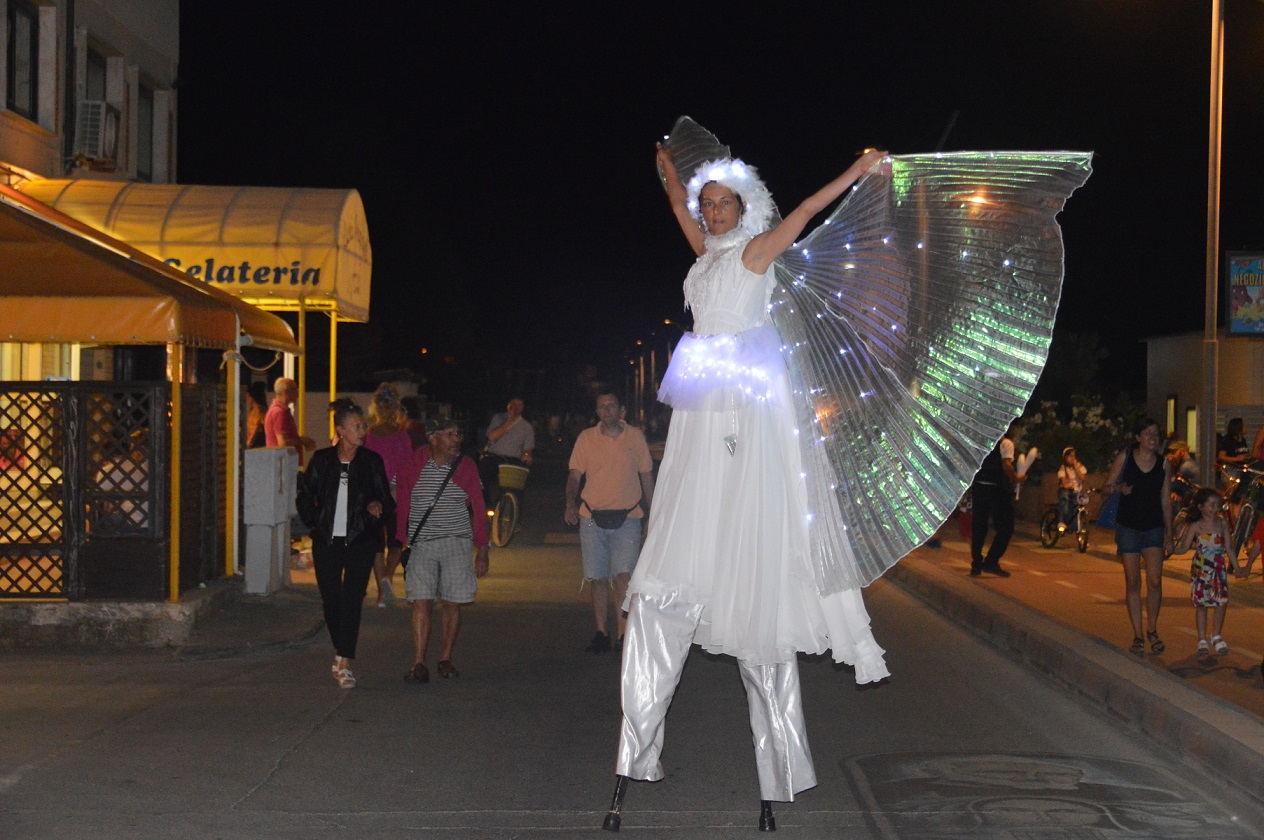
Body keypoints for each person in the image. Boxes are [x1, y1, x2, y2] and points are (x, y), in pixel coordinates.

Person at [606, 142, 892, 831]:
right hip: (702, 412)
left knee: (758, 600)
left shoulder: (757, 251)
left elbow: (806, 211)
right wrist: (671, 176)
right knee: (663, 580)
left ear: (743, 205)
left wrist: (856, 171)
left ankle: (779, 774)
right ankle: (633, 757)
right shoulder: (704, 255)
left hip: (745, 410)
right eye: (706, 205)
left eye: (720, 202)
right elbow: (677, 205)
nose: (709, 211)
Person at [295, 399, 394, 689]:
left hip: (361, 540)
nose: (363, 431)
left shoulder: (371, 462)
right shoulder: (323, 460)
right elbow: (304, 494)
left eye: (363, 426)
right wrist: (315, 520)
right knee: (331, 598)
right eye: (357, 426)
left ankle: (345, 661)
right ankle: (342, 650)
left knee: (353, 598)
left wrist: (377, 506)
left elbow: (387, 500)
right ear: (341, 430)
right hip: (327, 540)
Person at [396, 417, 489, 683]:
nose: (456, 440)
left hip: (457, 541)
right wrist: (401, 537)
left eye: (458, 434)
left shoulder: (466, 466)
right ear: (433, 438)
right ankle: (419, 663)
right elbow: (398, 495)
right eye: (450, 434)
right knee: (421, 601)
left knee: (452, 602)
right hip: (422, 542)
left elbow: (479, 508)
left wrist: (482, 548)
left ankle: (445, 658)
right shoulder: (412, 464)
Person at [564, 392, 655, 653]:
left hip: (627, 517)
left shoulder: (635, 437)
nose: (607, 411)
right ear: (597, 411)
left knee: (624, 575)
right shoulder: (586, 439)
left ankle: (624, 634)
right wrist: (570, 502)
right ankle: (601, 632)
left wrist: (655, 513)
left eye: (611, 405)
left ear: (621, 409)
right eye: (601, 407)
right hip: (592, 516)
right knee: (598, 577)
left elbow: (646, 476)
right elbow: (574, 475)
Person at [1103, 418, 1173, 656]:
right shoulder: (1126, 458)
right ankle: (1138, 634)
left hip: (1154, 527)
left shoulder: (1164, 465)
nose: (1153, 438)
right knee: (1133, 582)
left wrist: (1170, 533)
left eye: (1156, 434)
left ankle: (1152, 629)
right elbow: (1106, 486)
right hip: (1129, 527)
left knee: (1155, 581)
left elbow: (1165, 500)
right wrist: (1118, 488)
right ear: (1138, 437)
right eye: (1148, 434)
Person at [363, 383, 414, 608]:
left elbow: (363, 466)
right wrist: (395, 488)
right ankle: (387, 580)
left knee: (377, 542)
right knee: (396, 540)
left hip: (373, 495)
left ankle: (382, 593)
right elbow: (408, 467)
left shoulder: (367, 436)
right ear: (396, 408)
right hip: (396, 494)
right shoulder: (402, 437)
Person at [1174, 488, 1240, 655]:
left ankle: (1216, 635)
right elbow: (1184, 547)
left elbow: (1229, 548)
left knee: (1220, 602)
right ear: (1201, 506)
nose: (1215, 508)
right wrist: (1171, 549)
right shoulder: (1196, 526)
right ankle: (1202, 638)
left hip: (1218, 568)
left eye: (1217, 505)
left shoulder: (1222, 523)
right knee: (1202, 604)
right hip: (1201, 568)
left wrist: (1237, 568)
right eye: (1211, 505)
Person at [969, 420, 1024, 577]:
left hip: (980, 486)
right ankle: (991, 561)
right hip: (997, 489)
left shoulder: (984, 442)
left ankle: (976, 564)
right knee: (1006, 527)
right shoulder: (1006, 443)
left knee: (979, 526)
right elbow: (1006, 464)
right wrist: (1016, 478)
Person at [480, 398, 535, 508]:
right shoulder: (498, 418)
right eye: (514, 404)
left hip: (512, 459)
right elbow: (491, 437)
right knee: (480, 475)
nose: (516, 407)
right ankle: (486, 504)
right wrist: (508, 422)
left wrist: (527, 456)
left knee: (518, 483)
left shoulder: (527, 427)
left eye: (519, 404)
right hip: (494, 457)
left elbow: (528, 450)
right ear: (509, 405)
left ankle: (513, 515)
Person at [265, 377, 316, 466]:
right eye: (294, 390)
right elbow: (283, 442)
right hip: (283, 465)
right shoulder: (280, 413)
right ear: (286, 392)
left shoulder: (277, 410)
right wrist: (302, 442)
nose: (297, 394)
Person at [1055, 446, 1087, 532]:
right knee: (1064, 499)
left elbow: (1082, 478)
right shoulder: (1063, 468)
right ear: (1065, 457)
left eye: (1074, 456)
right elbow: (1063, 483)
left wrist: (1076, 468)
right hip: (1066, 490)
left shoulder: (1079, 466)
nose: (1072, 458)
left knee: (1077, 506)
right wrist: (1069, 486)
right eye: (1070, 456)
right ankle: (1061, 521)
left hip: (1076, 490)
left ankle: (1075, 527)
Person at [245, 382, 268, 449]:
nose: (247, 399)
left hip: (256, 442)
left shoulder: (257, 410)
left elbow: (254, 429)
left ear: (252, 397)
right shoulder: (263, 409)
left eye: (248, 396)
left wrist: (248, 443)